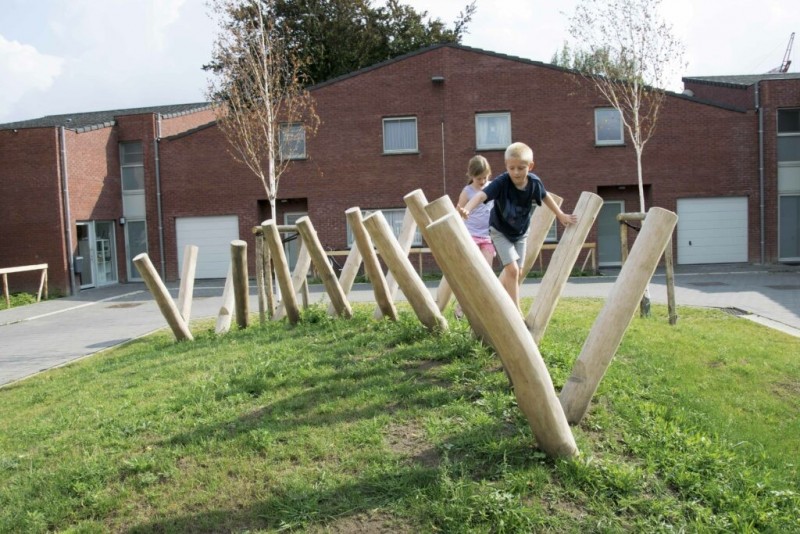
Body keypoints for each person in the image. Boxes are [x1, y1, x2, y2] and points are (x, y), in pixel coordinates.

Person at [458, 142, 578, 311]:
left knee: (517, 273)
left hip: (520, 233)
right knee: (512, 270)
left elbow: (545, 197)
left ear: (530, 166)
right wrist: (467, 209)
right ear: (506, 166)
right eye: (511, 168)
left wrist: (561, 215)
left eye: (521, 168)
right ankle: (516, 311)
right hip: (499, 231)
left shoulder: (534, 183)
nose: (516, 172)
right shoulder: (501, 182)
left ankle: (496, 297)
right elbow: (480, 196)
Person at [453, 155, 496, 319]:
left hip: (487, 236)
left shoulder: (491, 187)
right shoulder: (467, 191)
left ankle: (483, 307)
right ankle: (460, 306)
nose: (483, 180)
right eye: (479, 178)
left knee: (486, 273)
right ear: (471, 176)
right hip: (470, 235)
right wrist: (461, 213)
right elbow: (457, 212)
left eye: (485, 177)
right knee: (470, 273)